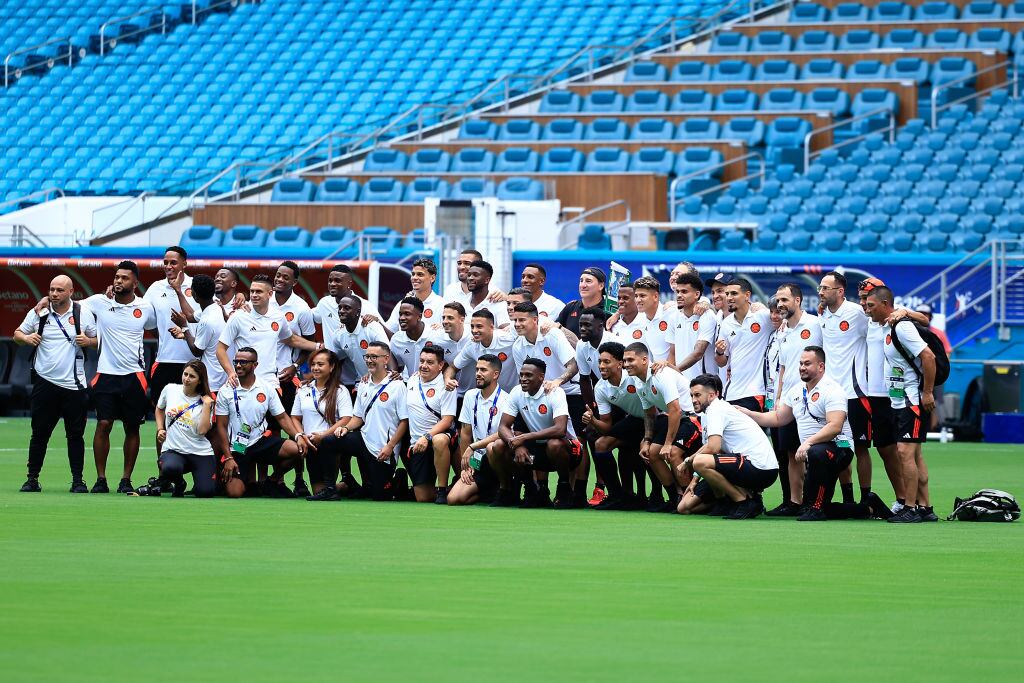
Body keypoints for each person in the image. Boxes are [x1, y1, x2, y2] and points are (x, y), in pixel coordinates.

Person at [738, 347, 859, 521]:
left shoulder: (833, 390)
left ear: (821, 367)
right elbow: (779, 418)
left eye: (807, 363)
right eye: (801, 363)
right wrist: (748, 413)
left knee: (817, 453)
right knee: (815, 504)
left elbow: (835, 426)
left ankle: (816, 509)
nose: (802, 367)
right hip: (816, 451)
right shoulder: (796, 390)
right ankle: (866, 508)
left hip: (840, 447)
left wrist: (808, 443)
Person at [15, 275, 98, 493]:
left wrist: (88, 342)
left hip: (74, 385)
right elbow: (17, 333)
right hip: (44, 383)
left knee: (75, 435)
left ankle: (78, 480)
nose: (54, 294)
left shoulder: (83, 312)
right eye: (51, 289)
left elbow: (99, 340)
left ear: (71, 291)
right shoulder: (39, 312)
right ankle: (32, 479)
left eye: (59, 290)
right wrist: (26, 339)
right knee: (39, 433)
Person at [82, 260, 158, 494]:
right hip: (105, 375)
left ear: (135, 283)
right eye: (116, 277)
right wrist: (45, 300)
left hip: (134, 376)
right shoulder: (98, 302)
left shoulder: (145, 308)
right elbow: (69, 304)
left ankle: (126, 479)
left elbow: (157, 327)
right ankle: (101, 479)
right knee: (103, 424)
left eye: (124, 278)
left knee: (132, 427)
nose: (118, 281)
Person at [864, 287, 939, 524]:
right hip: (900, 400)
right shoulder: (887, 327)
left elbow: (928, 357)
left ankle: (911, 507)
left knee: (905, 453)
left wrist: (927, 392)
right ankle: (926, 508)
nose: (867, 309)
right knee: (914, 455)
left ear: (886, 304)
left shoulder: (902, 327)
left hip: (912, 400)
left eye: (871, 305)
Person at [511, 301, 589, 507]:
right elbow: (524, 378)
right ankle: (541, 491)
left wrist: (558, 381)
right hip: (539, 398)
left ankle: (574, 493)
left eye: (522, 320)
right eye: (515, 320)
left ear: (535, 320)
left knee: (576, 442)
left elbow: (574, 365)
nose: (517, 324)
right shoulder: (518, 345)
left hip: (570, 393)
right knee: (539, 439)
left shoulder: (552, 335)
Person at [214, 347, 312, 498]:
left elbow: (282, 417)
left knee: (299, 449)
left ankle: (271, 481)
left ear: (255, 365)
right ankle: (238, 479)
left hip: (260, 441)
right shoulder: (226, 390)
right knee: (235, 493)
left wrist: (298, 435)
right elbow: (221, 426)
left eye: (244, 362)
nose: (238, 365)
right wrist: (228, 457)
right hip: (237, 447)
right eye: (237, 362)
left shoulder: (266, 387)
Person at [678, 373, 779, 519]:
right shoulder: (709, 413)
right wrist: (694, 479)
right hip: (743, 466)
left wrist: (688, 461)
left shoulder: (716, 409)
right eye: (692, 395)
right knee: (684, 507)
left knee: (700, 461)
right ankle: (738, 500)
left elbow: (713, 448)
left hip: (760, 467)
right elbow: (711, 448)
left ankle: (743, 502)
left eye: (698, 395)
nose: (694, 400)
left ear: (712, 395)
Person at [490, 358, 584, 509]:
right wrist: (517, 445)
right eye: (521, 375)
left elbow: (560, 430)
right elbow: (503, 427)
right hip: (536, 452)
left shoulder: (555, 392)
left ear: (541, 377)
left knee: (554, 444)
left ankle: (564, 489)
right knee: (499, 445)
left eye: (528, 375)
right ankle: (528, 490)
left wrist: (525, 437)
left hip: (568, 451)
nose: (523, 379)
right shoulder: (516, 392)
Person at [818, 270, 874, 507]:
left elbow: (878, 330)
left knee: (860, 448)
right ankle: (848, 498)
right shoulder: (822, 317)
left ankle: (865, 499)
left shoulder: (857, 313)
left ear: (840, 291)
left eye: (825, 288)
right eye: (820, 287)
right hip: (832, 396)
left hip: (856, 393)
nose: (820, 292)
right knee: (838, 446)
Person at [624, 342, 701, 512]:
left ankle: (693, 499)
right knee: (650, 452)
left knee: (672, 452)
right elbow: (650, 413)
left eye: (630, 360)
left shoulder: (661, 375)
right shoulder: (638, 381)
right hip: (678, 418)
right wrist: (647, 439)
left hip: (695, 418)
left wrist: (667, 443)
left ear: (645, 360)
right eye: (625, 360)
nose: (626, 364)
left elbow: (675, 409)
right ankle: (675, 498)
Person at [767, 283, 823, 516]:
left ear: (798, 301)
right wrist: (778, 398)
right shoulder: (782, 331)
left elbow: (824, 359)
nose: (780, 305)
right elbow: (783, 368)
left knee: (813, 451)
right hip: (789, 400)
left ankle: (816, 501)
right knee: (789, 452)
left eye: (784, 300)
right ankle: (793, 502)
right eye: (778, 300)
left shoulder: (814, 324)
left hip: (812, 399)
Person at [333, 342, 409, 501]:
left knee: (380, 496)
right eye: (367, 356)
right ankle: (335, 484)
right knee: (329, 441)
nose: (369, 360)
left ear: (386, 359)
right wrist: (345, 428)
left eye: (374, 356)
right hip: (363, 440)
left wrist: (390, 446)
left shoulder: (398, 385)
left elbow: (404, 421)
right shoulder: (363, 383)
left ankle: (398, 479)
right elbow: (358, 417)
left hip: (383, 448)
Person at [215, 274, 319, 391]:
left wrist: (318, 346)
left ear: (270, 294)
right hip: (244, 385)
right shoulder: (238, 316)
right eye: (252, 291)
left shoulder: (278, 316)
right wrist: (230, 373)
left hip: (271, 384)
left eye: (258, 292)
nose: (254, 295)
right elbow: (220, 348)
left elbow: (290, 339)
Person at [583, 341, 647, 510]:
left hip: (654, 419)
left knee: (640, 450)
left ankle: (647, 495)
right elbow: (606, 426)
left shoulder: (635, 377)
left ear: (620, 364)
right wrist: (592, 421)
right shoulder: (601, 387)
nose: (601, 366)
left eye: (606, 362)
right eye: (600, 362)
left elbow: (652, 409)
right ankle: (617, 495)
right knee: (600, 444)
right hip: (634, 420)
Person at [447, 354, 510, 506]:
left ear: (495, 374)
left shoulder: (506, 399)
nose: (478, 374)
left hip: (498, 457)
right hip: (477, 461)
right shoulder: (470, 396)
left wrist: (473, 446)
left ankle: (506, 487)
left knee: (492, 446)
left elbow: (503, 432)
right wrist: (466, 467)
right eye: (476, 369)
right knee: (453, 499)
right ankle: (490, 492)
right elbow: (466, 432)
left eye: (483, 370)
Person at [292, 349, 354, 500]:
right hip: (310, 444)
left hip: (330, 444)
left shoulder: (340, 390)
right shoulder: (303, 389)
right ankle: (346, 486)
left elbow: (346, 418)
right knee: (318, 492)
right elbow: (295, 417)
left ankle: (341, 485)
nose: (315, 368)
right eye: (313, 364)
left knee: (325, 490)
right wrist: (301, 435)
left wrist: (323, 436)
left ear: (332, 367)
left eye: (320, 364)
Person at [403, 344, 459, 503]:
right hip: (417, 443)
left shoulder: (447, 385)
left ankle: (442, 490)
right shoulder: (412, 379)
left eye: (429, 362)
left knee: (439, 440)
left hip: (440, 437)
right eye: (421, 361)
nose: (423, 366)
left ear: (441, 365)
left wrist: (426, 437)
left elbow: (447, 420)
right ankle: (451, 490)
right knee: (423, 498)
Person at [152, 360, 216, 497]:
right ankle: (180, 483)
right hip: (174, 450)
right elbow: (159, 408)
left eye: (192, 376)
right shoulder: (170, 389)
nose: (187, 379)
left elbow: (202, 431)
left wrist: (206, 406)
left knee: (206, 492)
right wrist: (160, 428)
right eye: (185, 374)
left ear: (200, 380)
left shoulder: (206, 401)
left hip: (200, 452)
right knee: (169, 468)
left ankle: (200, 477)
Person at [144, 246, 199, 404]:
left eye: (173, 262)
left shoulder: (196, 285)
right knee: (161, 412)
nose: (168, 266)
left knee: (191, 414)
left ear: (184, 264)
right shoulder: (155, 288)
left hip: (194, 361)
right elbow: (146, 320)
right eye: (165, 262)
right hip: (165, 361)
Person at [714, 277, 772, 411]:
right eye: (727, 294)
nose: (729, 298)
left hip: (756, 392)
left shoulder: (763, 316)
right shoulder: (726, 324)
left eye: (734, 293)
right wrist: (719, 352)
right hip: (731, 393)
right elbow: (721, 362)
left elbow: (785, 321)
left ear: (747, 296)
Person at [312, 264, 377, 373]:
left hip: (360, 376)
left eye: (338, 281)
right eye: (330, 280)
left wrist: (377, 321)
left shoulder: (365, 306)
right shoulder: (324, 303)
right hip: (332, 374)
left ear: (349, 283)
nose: (332, 284)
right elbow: (307, 317)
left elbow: (383, 339)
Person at [169, 274, 228, 392]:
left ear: (195, 295)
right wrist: (178, 291)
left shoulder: (207, 321)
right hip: (218, 376)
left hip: (212, 381)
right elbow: (190, 316)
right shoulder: (214, 308)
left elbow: (196, 350)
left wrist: (184, 327)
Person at [449, 309, 519, 392]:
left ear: (492, 327)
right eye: (472, 326)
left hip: (513, 395)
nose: (474, 330)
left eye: (479, 326)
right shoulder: (472, 345)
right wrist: (448, 379)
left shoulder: (509, 339)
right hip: (488, 397)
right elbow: (453, 367)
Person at [328, 295, 389, 387]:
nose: (341, 311)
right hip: (361, 383)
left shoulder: (371, 327)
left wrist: (392, 375)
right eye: (340, 308)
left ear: (358, 312)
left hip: (383, 382)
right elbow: (336, 360)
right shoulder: (338, 335)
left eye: (347, 308)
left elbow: (388, 353)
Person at [666, 272, 717, 380]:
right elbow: (672, 353)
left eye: (684, 291)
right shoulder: (673, 317)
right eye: (678, 291)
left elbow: (698, 353)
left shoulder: (707, 315)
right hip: (681, 382)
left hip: (705, 383)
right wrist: (670, 378)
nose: (679, 295)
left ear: (697, 294)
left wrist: (676, 370)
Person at [916, 303, 952, 432]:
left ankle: (938, 427)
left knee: (937, 401)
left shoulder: (938, 333)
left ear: (930, 317)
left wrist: (939, 369)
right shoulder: (911, 330)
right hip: (917, 373)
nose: (923, 316)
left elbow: (947, 352)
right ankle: (921, 428)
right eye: (920, 313)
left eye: (925, 314)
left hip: (934, 373)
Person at [382, 258, 444, 332]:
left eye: (420, 274)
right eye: (413, 274)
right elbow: (389, 331)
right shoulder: (402, 304)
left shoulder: (441, 305)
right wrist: (377, 322)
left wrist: (442, 329)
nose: (414, 278)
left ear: (432, 278)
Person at [389, 296, 438, 379]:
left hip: (435, 386)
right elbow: (395, 363)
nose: (402, 318)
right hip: (411, 386)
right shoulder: (396, 340)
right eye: (400, 314)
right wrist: (394, 373)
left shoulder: (435, 335)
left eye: (407, 314)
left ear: (419, 316)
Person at [432, 302, 473, 398]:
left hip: (476, 393)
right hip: (452, 392)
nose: (445, 321)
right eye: (443, 318)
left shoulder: (474, 335)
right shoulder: (437, 339)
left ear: (462, 320)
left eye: (450, 318)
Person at [633, 276, 674, 362]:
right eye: (636, 296)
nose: (638, 300)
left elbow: (675, 352)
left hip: (677, 372)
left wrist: (668, 372)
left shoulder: (670, 313)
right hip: (659, 372)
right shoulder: (640, 319)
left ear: (655, 296)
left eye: (642, 296)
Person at [555, 266, 606, 335]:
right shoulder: (571, 307)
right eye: (581, 281)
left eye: (588, 281)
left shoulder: (608, 311)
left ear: (601, 286)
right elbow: (555, 331)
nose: (583, 285)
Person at [463, 260, 510, 326]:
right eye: (469, 275)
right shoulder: (462, 302)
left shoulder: (499, 304)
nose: (470, 278)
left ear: (487, 280)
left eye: (475, 275)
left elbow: (506, 332)